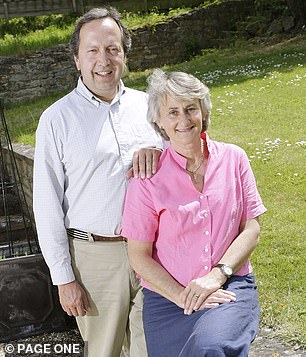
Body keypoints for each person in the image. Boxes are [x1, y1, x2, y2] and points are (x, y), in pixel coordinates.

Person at [33, 7, 163, 357]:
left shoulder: (150, 107)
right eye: (92, 50)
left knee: (154, 349)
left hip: (154, 254)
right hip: (95, 261)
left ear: (124, 54)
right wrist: (64, 278)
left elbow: (183, 169)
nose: (103, 60)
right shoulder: (56, 120)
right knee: (103, 352)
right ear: (76, 58)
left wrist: (160, 154)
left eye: (112, 48)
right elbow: (46, 205)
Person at [121, 69, 267, 356]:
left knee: (210, 347)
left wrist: (217, 275)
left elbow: (252, 229)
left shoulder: (234, 158)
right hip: (167, 299)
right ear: (159, 122)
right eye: (172, 112)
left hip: (229, 284)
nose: (183, 120)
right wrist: (184, 297)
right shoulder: (146, 178)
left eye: (190, 108)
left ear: (203, 111)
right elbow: (138, 255)